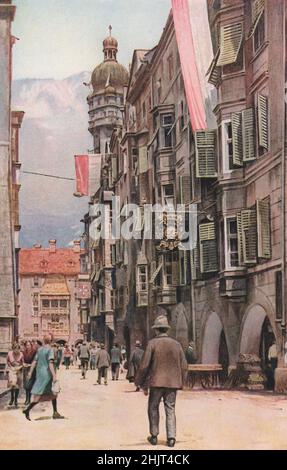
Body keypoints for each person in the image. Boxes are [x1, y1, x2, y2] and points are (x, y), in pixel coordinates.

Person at [135, 315, 187, 448]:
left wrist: (140, 382)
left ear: (156, 330)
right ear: (167, 329)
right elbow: (184, 366)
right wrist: (182, 382)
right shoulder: (176, 344)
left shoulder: (152, 343)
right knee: (170, 409)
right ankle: (171, 438)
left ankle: (154, 435)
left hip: (156, 383)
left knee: (153, 407)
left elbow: (144, 365)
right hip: (172, 383)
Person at [23, 335, 64, 421]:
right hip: (47, 374)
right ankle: (27, 409)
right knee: (41, 394)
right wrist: (54, 376)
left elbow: (34, 361)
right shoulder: (50, 350)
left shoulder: (40, 350)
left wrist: (30, 372)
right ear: (51, 341)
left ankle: (55, 412)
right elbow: (50, 363)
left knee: (52, 394)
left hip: (40, 374)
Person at [5, 343, 24, 408]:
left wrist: (20, 367)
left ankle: (16, 399)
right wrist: (10, 366)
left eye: (18, 349)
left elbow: (22, 362)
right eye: (15, 349)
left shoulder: (21, 354)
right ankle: (12, 398)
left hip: (18, 370)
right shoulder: (10, 353)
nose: (16, 351)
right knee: (12, 385)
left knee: (17, 386)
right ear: (13, 349)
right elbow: (7, 361)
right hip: (12, 370)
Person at [23, 340, 37, 405]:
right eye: (26, 345)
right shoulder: (23, 352)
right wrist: (23, 364)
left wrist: (30, 365)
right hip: (25, 369)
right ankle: (26, 398)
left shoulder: (34, 352)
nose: (27, 346)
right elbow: (22, 360)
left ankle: (28, 399)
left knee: (30, 385)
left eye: (29, 345)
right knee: (26, 385)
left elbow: (35, 360)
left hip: (32, 370)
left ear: (31, 346)